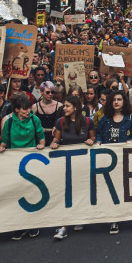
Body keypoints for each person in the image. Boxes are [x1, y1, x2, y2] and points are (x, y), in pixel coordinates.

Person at [0, 93, 45, 240]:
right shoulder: (9, 122)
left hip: (31, 161)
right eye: (25, 109)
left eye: (29, 109)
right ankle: (19, 226)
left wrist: (41, 145)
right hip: (14, 161)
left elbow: (41, 136)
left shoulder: (34, 119)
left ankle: (32, 225)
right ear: (17, 110)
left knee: (31, 193)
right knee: (16, 194)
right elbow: (5, 140)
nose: (28, 112)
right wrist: (1, 147)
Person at [51, 95, 95, 240]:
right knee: (65, 192)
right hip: (65, 162)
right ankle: (63, 226)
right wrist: (55, 143)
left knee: (80, 191)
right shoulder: (60, 121)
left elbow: (93, 137)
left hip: (82, 162)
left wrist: (91, 140)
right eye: (64, 106)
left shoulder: (88, 121)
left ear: (75, 107)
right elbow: (57, 138)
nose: (64, 108)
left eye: (67, 106)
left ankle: (78, 218)